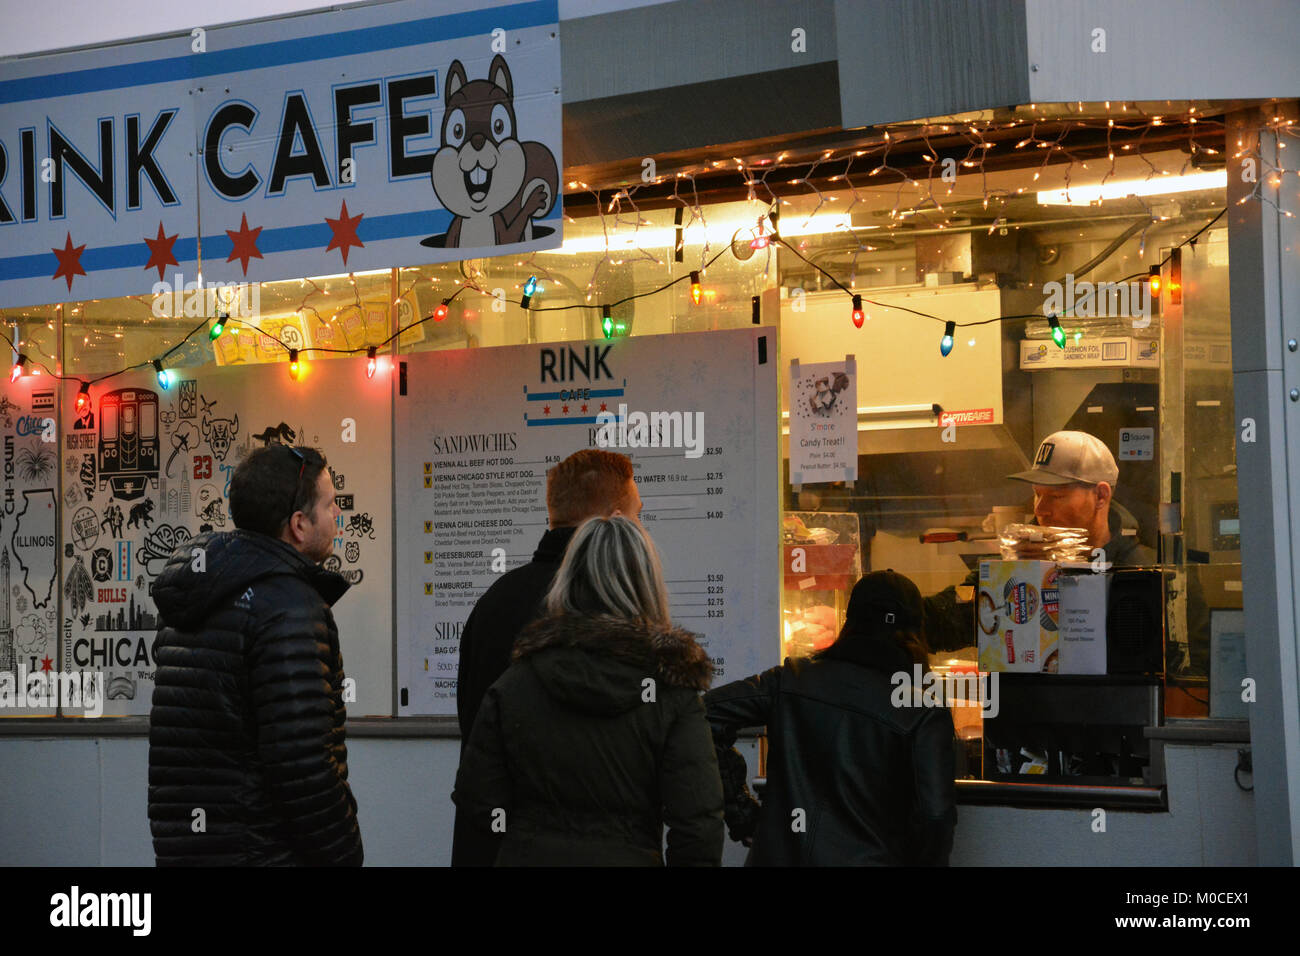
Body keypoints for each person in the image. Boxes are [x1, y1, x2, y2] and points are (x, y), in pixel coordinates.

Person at [452, 515, 724, 866]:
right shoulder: (671, 692)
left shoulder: (518, 681)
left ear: (567, 578)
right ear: (647, 584)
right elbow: (698, 828)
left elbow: (479, 800)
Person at [148, 445, 362, 866]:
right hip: (264, 854)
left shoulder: (199, 592)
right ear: (299, 525)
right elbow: (303, 767)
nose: (339, 513)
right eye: (330, 504)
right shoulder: (289, 606)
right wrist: (345, 857)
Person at [451, 448, 641, 865]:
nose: (641, 530)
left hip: (488, 846)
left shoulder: (494, 603)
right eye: (637, 516)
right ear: (615, 522)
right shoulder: (606, 608)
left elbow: (473, 728)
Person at [705, 570, 957, 865]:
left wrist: (744, 817)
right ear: (915, 633)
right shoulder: (923, 710)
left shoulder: (790, 680)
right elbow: (936, 818)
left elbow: (703, 716)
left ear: (849, 623)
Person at [925, 430, 1155, 651]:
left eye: (1057, 496)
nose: (1040, 509)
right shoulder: (1016, 564)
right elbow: (948, 619)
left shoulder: (1140, 570)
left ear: (1101, 496)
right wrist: (904, 607)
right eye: (1037, 494)